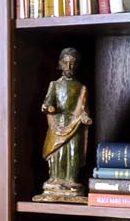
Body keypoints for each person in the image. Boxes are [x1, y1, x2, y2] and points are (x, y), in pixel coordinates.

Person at [38, 47, 92, 199]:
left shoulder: (81, 88)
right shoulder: (54, 85)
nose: (69, 67)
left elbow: (84, 108)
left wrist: (85, 117)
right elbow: (46, 104)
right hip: (57, 124)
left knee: (73, 153)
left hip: (75, 125)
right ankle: (56, 180)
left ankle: (71, 181)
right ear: (60, 64)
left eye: (73, 63)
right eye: (66, 63)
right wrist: (48, 107)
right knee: (58, 154)